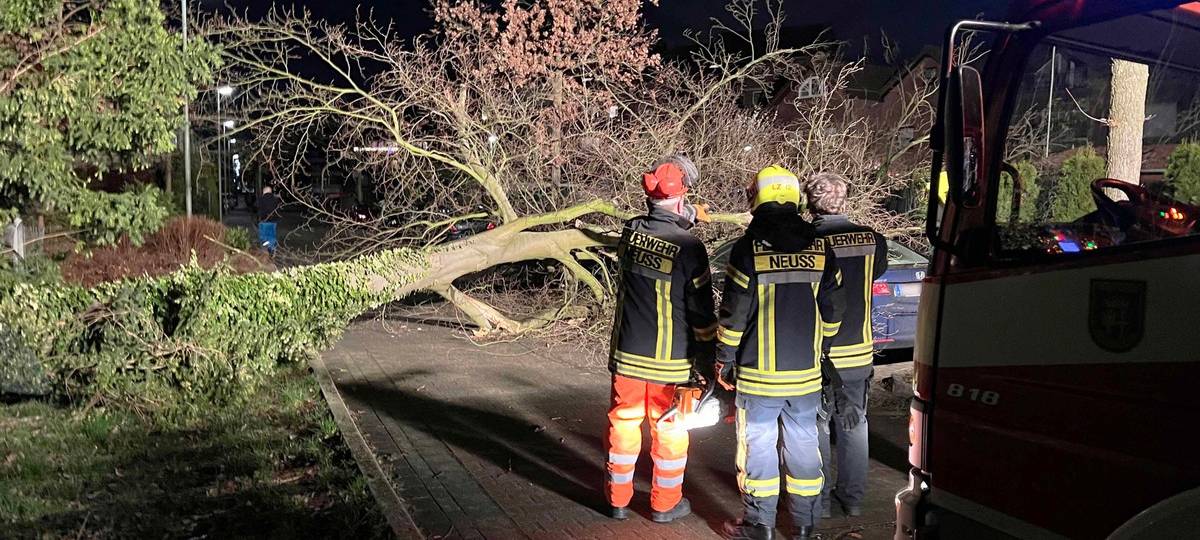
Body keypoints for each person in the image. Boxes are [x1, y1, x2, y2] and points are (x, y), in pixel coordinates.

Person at [717, 165, 845, 540]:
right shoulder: (821, 247)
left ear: (757, 198)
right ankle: (805, 527)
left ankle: (760, 526)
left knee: (758, 449)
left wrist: (724, 356)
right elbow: (834, 311)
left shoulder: (748, 249)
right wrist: (823, 349)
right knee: (805, 446)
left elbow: (734, 315)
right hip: (805, 375)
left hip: (758, 377)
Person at [605, 155, 717, 523]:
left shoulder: (631, 234)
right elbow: (701, 314)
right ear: (682, 198)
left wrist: (680, 218)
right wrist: (708, 360)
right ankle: (664, 505)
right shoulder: (690, 247)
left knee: (623, 424)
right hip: (672, 361)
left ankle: (617, 499)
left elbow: (652, 231)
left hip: (628, 354)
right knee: (669, 430)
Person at [805, 172, 888, 519]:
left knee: (817, 427)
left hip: (818, 352)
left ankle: (819, 503)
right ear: (844, 200)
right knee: (855, 425)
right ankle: (853, 501)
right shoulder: (874, 240)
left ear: (810, 203)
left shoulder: (807, 241)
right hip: (858, 351)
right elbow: (876, 273)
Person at [255, 185, 282, 254]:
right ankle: (272, 248)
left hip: (264, 220)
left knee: (263, 235)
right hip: (274, 220)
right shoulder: (275, 199)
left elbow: (256, 206)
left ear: (264, 192)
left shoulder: (261, 199)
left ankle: (265, 248)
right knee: (272, 234)